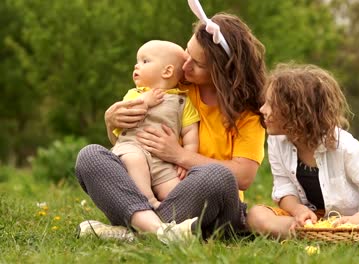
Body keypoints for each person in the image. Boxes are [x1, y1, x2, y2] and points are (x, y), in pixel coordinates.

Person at [75, 10, 266, 243]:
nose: (184, 66)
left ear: (221, 71)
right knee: (90, 156)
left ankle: (136, 230)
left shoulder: (248, 113)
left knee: (218, 176)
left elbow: (244, 176)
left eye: (197, 64)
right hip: (148, 193)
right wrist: (111, 121)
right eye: (187, 53)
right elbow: (131, 143)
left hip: (207, 204)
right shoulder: (175, 86)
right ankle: (160, 232)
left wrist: (179, 155)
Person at [246, 64, 359, 245]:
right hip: (314, 218)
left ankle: (347, 232)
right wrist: (298, 210)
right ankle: (357, 235)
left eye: (270, 104)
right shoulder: (277, 141)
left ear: (295, 111)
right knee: (256, 216)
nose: (262, 109)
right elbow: (284, 188)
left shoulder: (342, 145)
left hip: (358, 214)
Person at [111, 40, 199, 210]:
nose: (136, 66)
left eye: (145, 61)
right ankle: (149, 202)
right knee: (134, 162)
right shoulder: (135, 94)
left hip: (163, 160)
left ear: (167, 71)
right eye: (137, 62)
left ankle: (171, 214)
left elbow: (190, 133)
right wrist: (144, 101)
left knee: (176, 189)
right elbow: (123, 117)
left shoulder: (182, 100)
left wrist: (185, 158)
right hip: (132, 148)